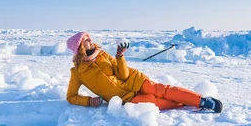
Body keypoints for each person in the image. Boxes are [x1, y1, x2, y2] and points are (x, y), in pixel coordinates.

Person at [65, 31, 223, 113]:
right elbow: (71, 97)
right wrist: (88, 101)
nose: (90, 40)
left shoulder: (103, 55)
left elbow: (124, 75)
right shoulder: (78, 72)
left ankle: (202, 101)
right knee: (156, 102)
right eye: (85, 40)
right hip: (125, 97)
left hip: (134, 80)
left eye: (88, 37)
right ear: (79, 48)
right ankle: (187, 101)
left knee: (162, 91)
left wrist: (120, 56)